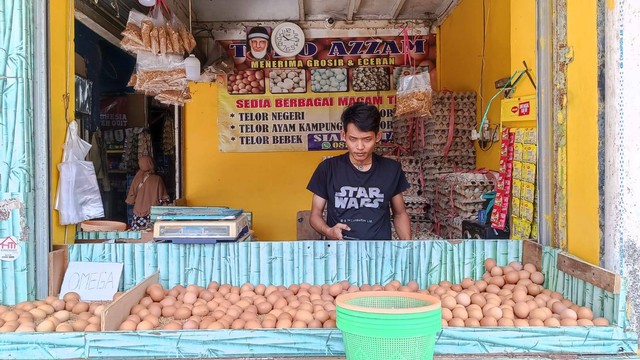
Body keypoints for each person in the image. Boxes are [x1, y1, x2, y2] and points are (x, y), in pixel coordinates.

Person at [306, 102, 412, 240]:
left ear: (378, 136)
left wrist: (409, 249)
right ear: (343, 135)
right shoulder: (328, 168)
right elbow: (315, 214)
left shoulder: (391, 169)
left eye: (367, 139)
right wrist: (328, 231)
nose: (360, 146)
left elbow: (400, 214)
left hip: (379, 253)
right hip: (339, 252)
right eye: (353, 139)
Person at [125, 155, 170, 230]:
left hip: (137, 212)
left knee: (137, 235)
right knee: (151, 234)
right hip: (152, 213)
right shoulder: (157, 179)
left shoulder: (137, 178)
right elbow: (164, 198)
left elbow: (131, 198)